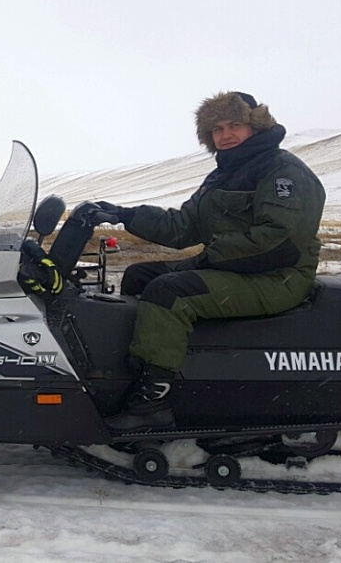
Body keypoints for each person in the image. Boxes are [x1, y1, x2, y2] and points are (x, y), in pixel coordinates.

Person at [91, 92, 325, 433]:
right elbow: (183, 226)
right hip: (240, 269)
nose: (226, 134)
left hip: (278, 277)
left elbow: (280, 242)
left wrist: (208, 258)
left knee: (170, 293)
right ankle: (135, 372)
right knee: (140, 276)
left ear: (256, 126)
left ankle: (152, 402)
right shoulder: (224, 173)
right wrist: (125, 215)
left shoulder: (282, 171)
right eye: (217, 129)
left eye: (235, 125)